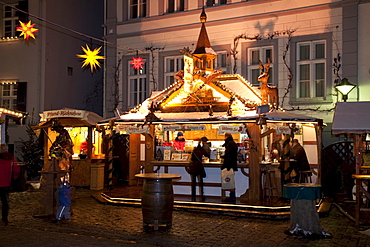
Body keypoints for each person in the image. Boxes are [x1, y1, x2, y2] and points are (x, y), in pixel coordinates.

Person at [0, 144, 20, 226]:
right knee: (4, 201)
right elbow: (16, 170)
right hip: (6, 183)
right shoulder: (11, 159)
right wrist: (13, 179)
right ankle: (4, 219)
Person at [221, 133, 238, 201]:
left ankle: (232, 197)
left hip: (229, 165)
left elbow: (228, 155)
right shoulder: (233, 143)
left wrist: (226, 165)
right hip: (232, 164)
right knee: (231, 181)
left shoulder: (229, 144)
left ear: (226, 137)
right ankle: (232, 196)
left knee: (229, 181)